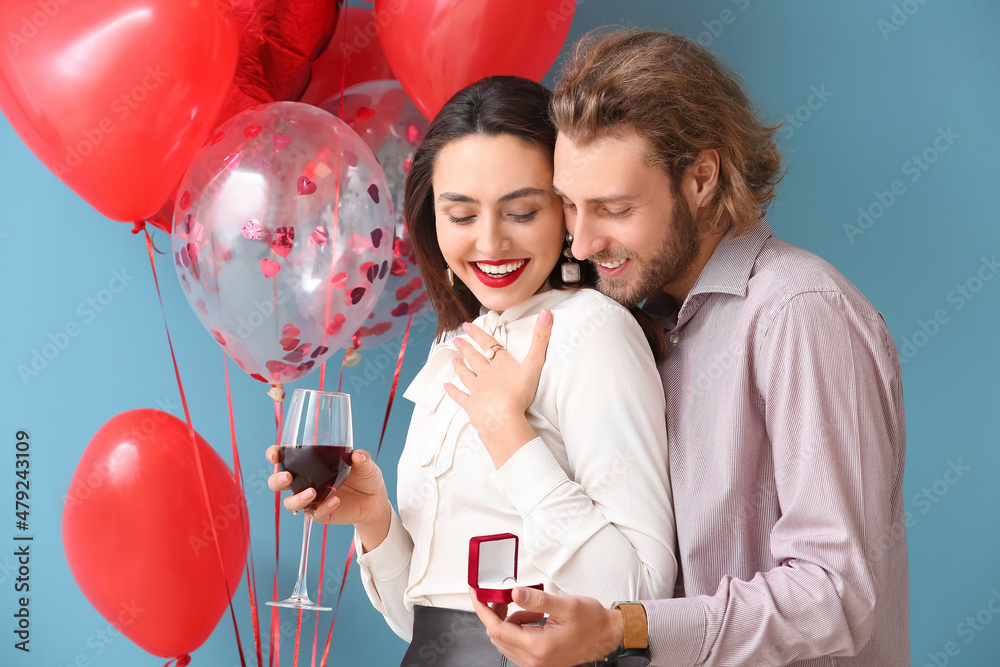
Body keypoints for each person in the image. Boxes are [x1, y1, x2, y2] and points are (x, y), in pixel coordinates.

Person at [455, 31, 910, 666]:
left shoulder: (794, 313)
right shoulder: (641, 326)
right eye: (568, 205)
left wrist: (626, 629)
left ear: (701, 177)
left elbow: (833, 596)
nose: (581, 243)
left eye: (613, 208)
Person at [266, 76, 678, 666]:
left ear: (564, 211)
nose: (490, 242)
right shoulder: (458, 343)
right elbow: (427, 626)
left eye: (522, 211)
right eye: (460, 215)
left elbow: (639, 595)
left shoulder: (593, 332)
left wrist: (507, 433)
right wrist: (376, 521)